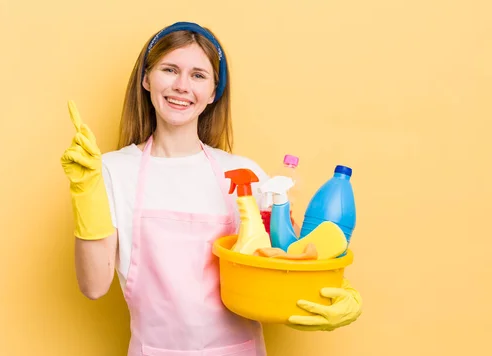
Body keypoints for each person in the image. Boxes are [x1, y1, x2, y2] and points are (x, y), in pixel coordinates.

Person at [61, 21, 362, 356]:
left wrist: (338, 290)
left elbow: (289, 263)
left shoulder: (244, 173)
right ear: (146, 79)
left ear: (214, 91)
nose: (181, 86)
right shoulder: (112, 170)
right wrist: (85, 192)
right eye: (169, 69)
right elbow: (93, 286)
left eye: (198, 75)